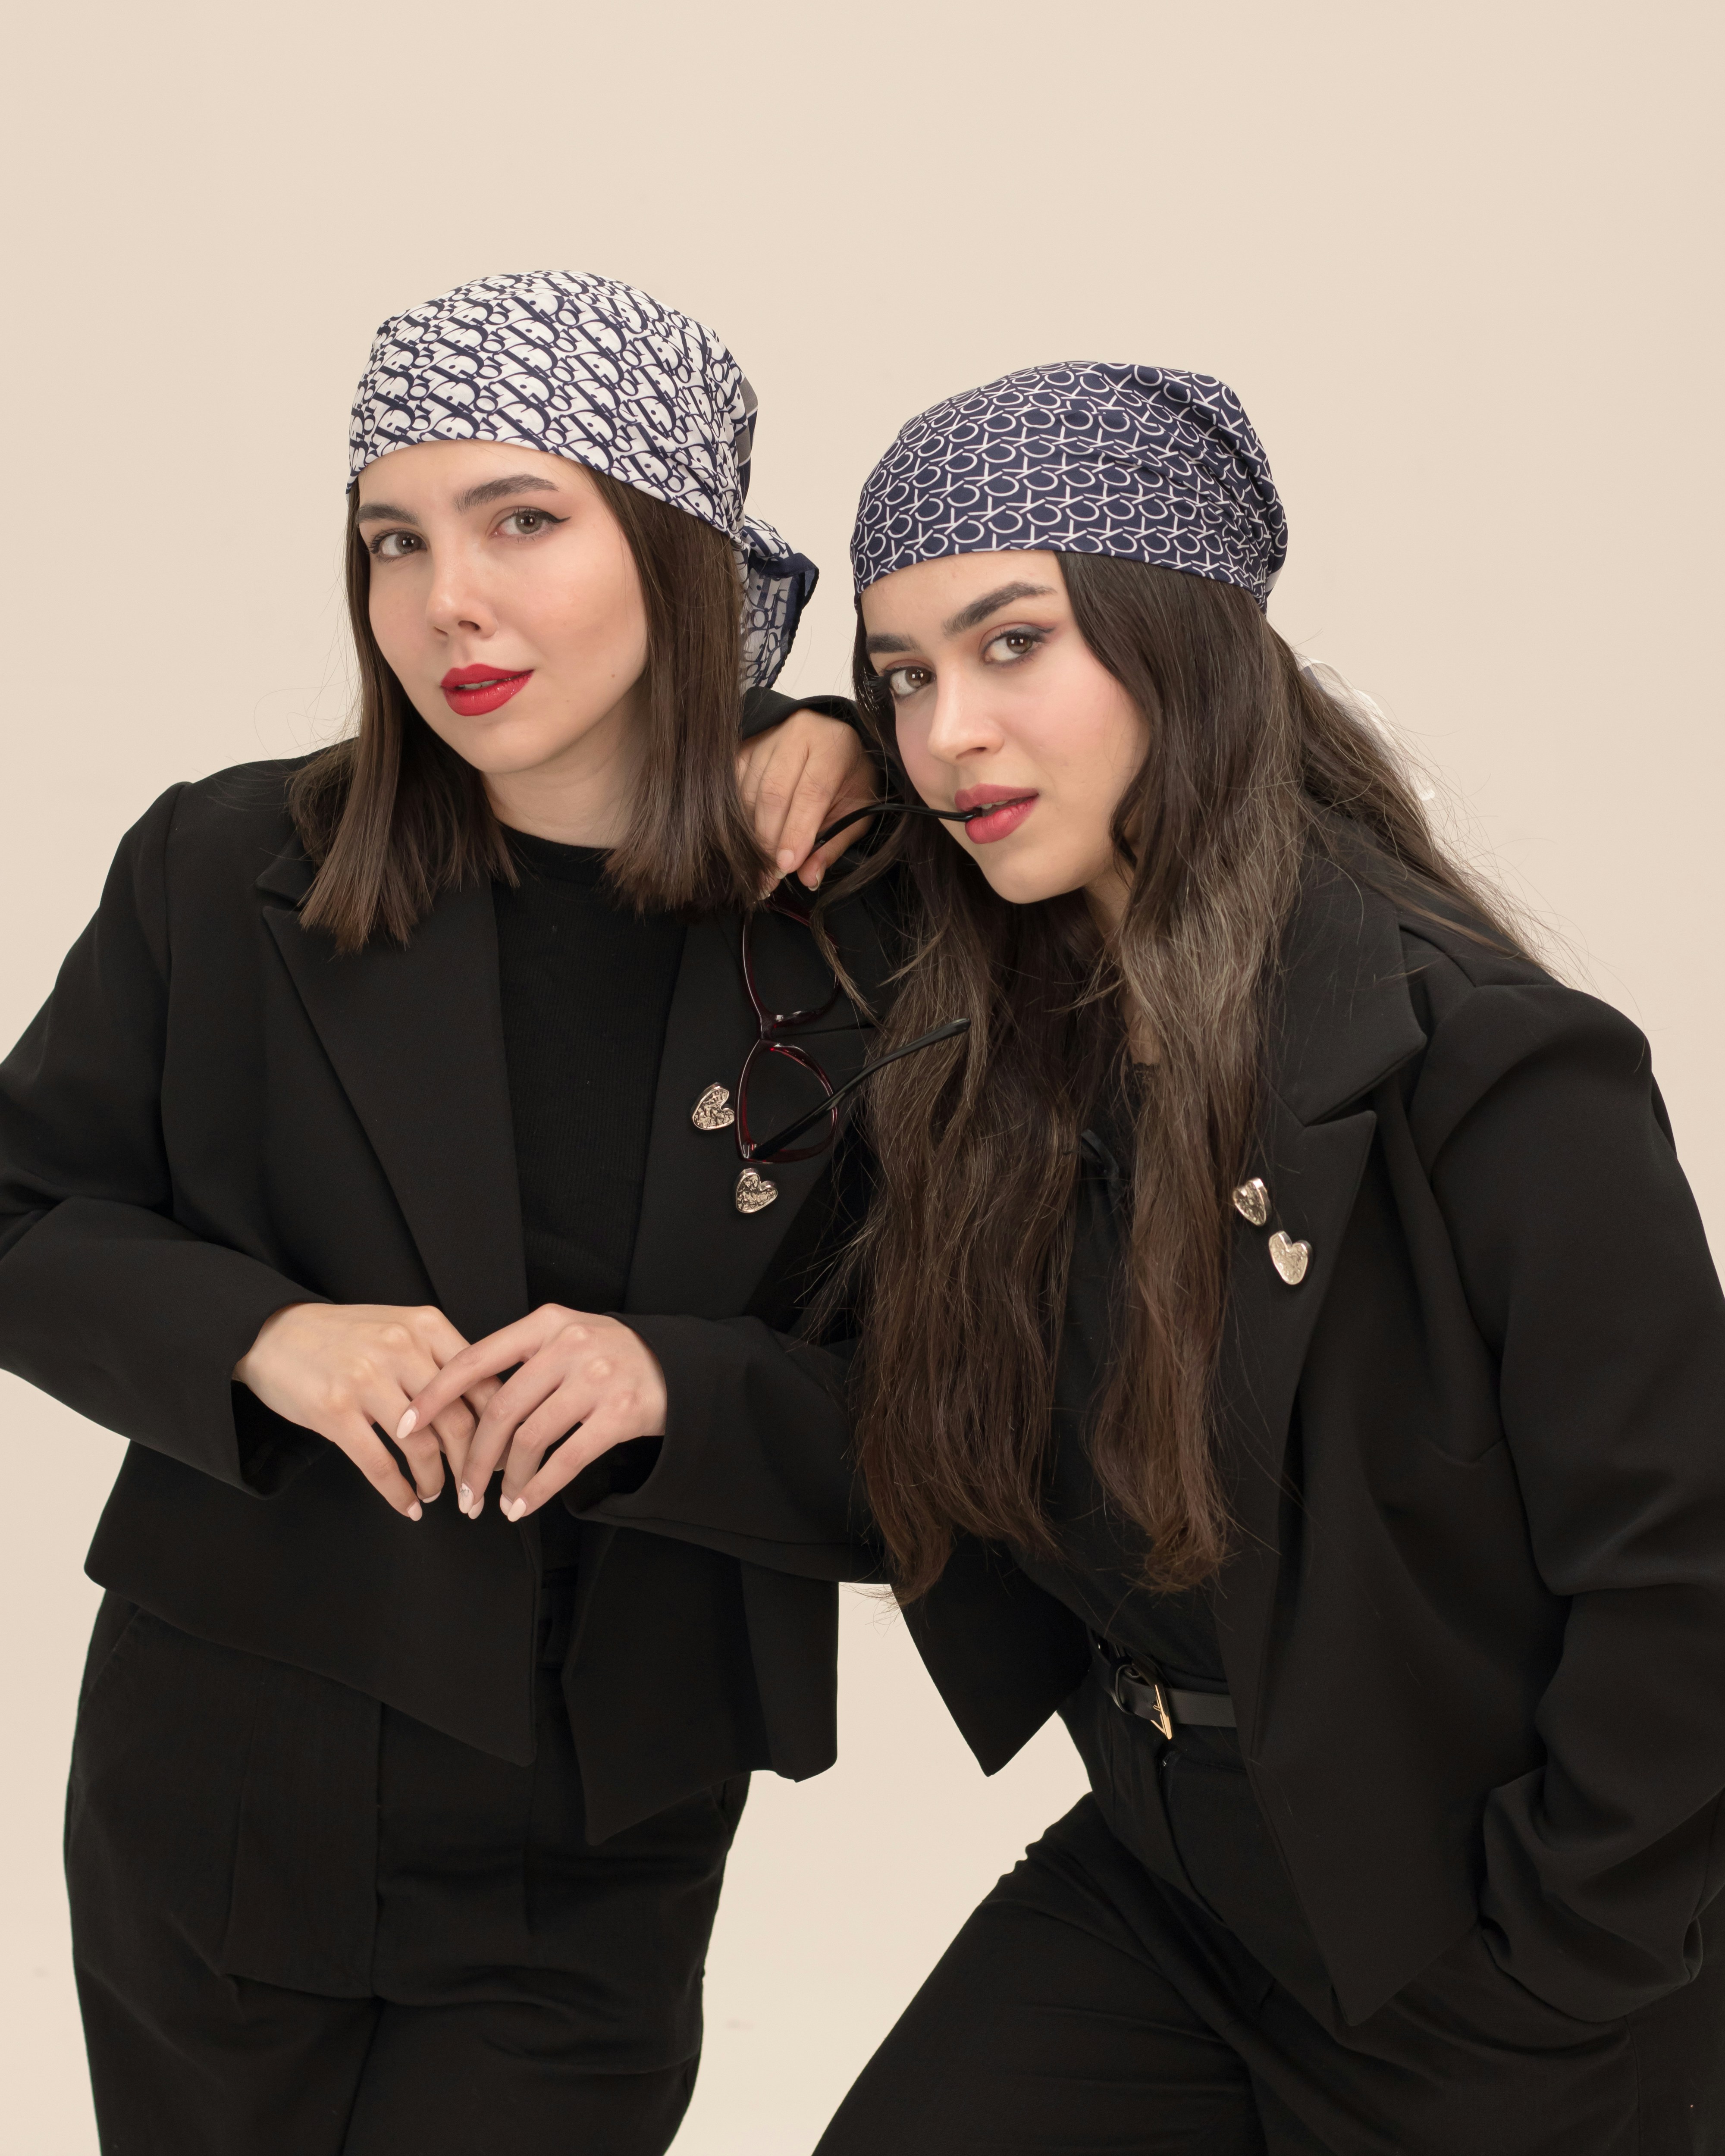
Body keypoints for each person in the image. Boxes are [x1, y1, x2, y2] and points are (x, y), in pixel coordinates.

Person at [411, 362, 1725, 2152]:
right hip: (1177, 1888)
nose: (948, 732)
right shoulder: (1002, 1042)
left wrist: (1558, 1964)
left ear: (1180, 642)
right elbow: (946, 1464)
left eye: (1011, 644)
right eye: (904, 676)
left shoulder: (1485, 1064)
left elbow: (1677, 1576)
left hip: (1480, 1952)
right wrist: (662, 1390)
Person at [0, 269, 886, 2156]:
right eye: (392, 537)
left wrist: (676, 1388)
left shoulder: (857, 928)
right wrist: (261, 1332)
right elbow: (19, 1208)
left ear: (677, 551)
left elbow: (971, 1412)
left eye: (522, 520)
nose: (444, 602)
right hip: (219, 1788)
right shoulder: (225, 863)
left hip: (597, 1837)